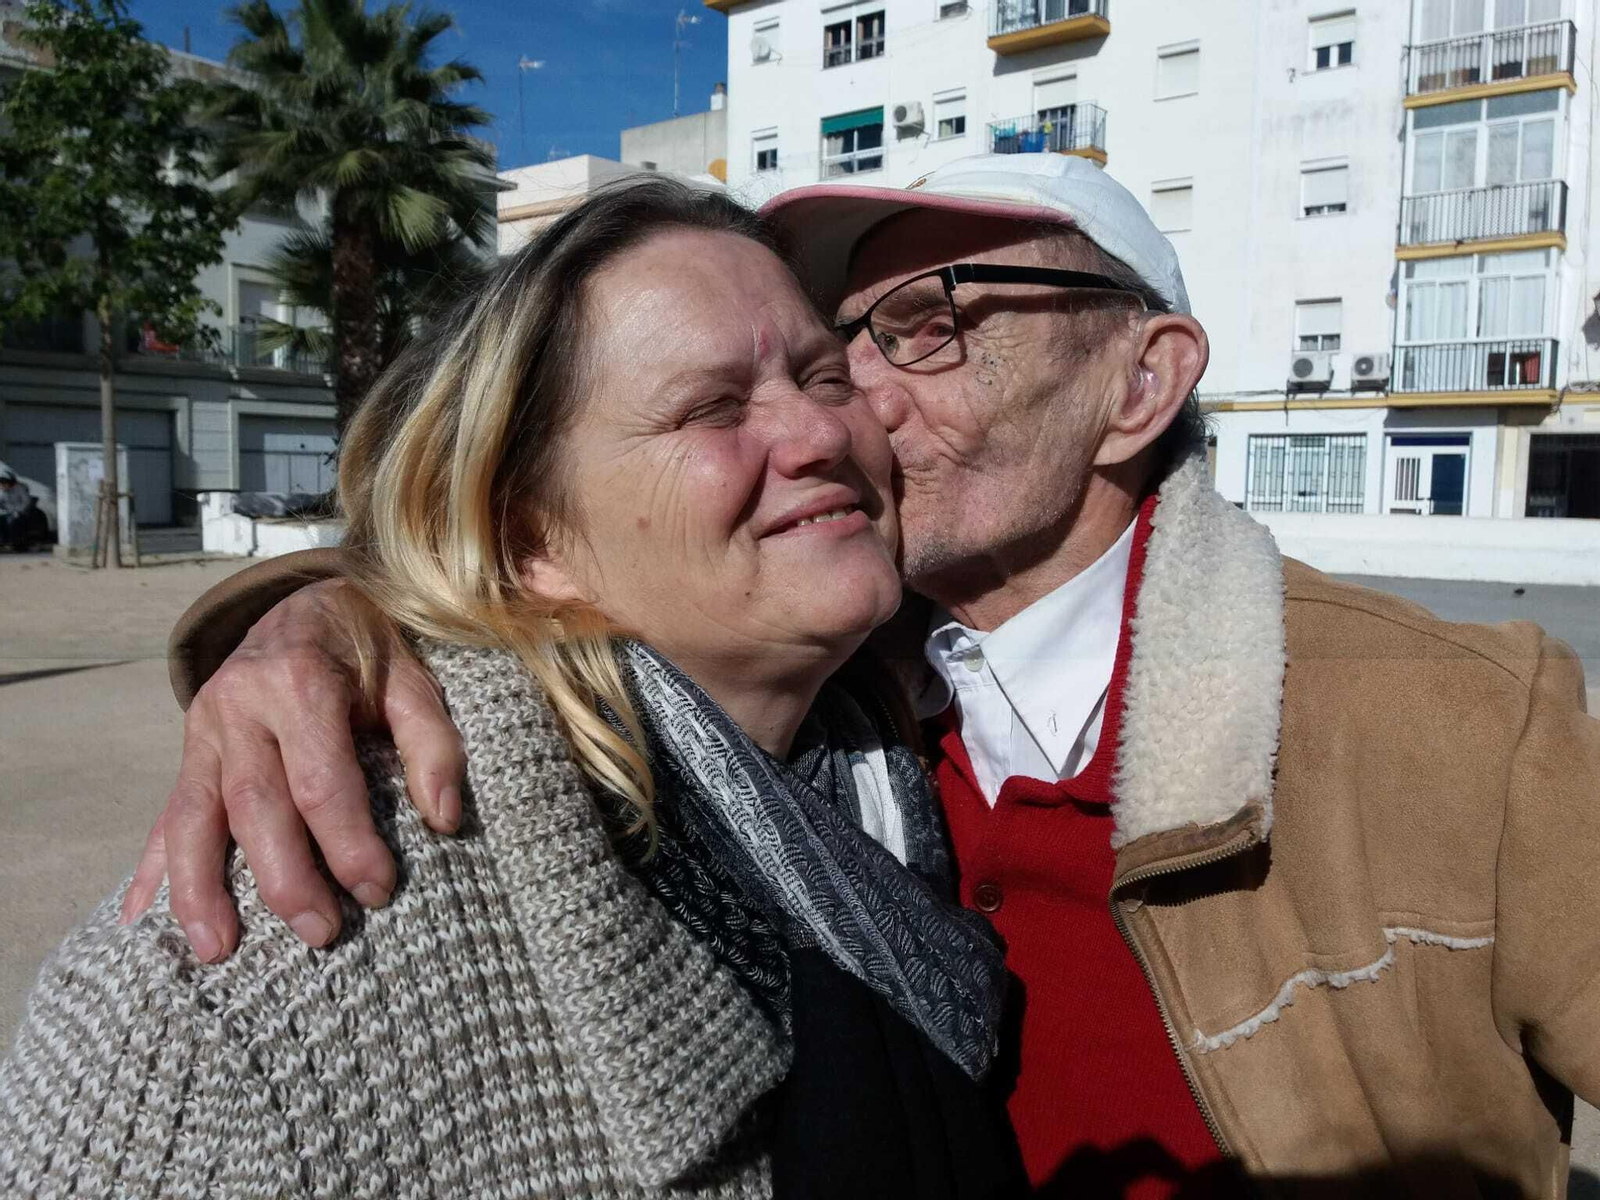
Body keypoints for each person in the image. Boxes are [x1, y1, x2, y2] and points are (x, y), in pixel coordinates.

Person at [134, 154, 1597, 1198]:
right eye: (843, 346)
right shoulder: (846, 705)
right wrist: (327, 608)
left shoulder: (1452, 720)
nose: (856, 408)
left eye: (932, 323)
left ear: (1139, 385)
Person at [0, 180, 1024, 1199]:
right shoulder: (253, 977)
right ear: (532, 541)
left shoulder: (903, 743)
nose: (819, 435)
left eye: (822, 376)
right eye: (711, 409)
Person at [0, 468, 34, 550]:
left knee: (14, 522)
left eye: (4, 483)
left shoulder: (20, 488)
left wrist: (17, 511)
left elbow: (26, 502)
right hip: (6, 512)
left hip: (19, 513)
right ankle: (4, 541)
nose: (2, 486)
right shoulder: (2, 491)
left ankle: (17, 544)